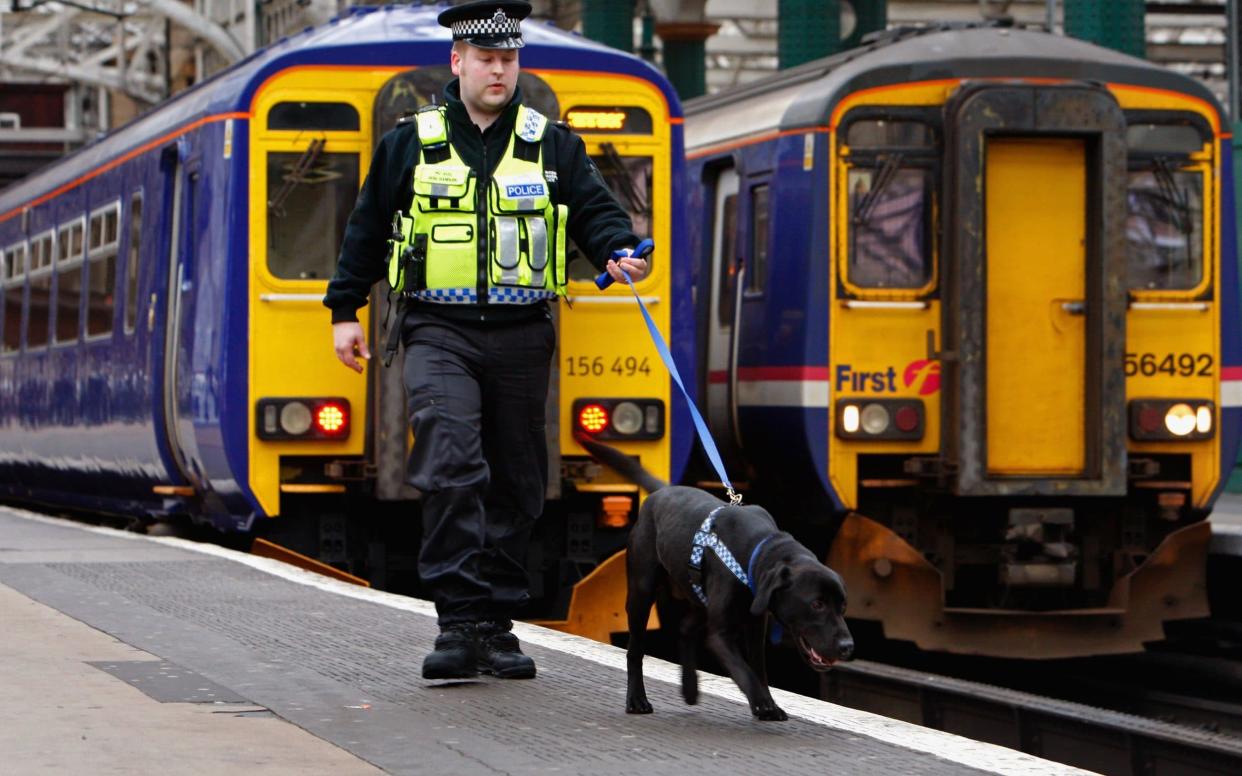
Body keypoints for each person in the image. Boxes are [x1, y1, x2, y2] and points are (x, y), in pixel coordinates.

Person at [323, 0, 649, 680]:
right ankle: (458, 621)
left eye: (509, 59)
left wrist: (620, 251)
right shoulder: (409, 141)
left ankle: (498, 625)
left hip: (524, 334)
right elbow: (366, 227)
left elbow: (595, 212)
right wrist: (344, 311)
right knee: (448, 458)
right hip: (436, 329)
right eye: (486, 59)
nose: (499, 70)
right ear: (458, 62)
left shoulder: (552, 143)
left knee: (518, 481)